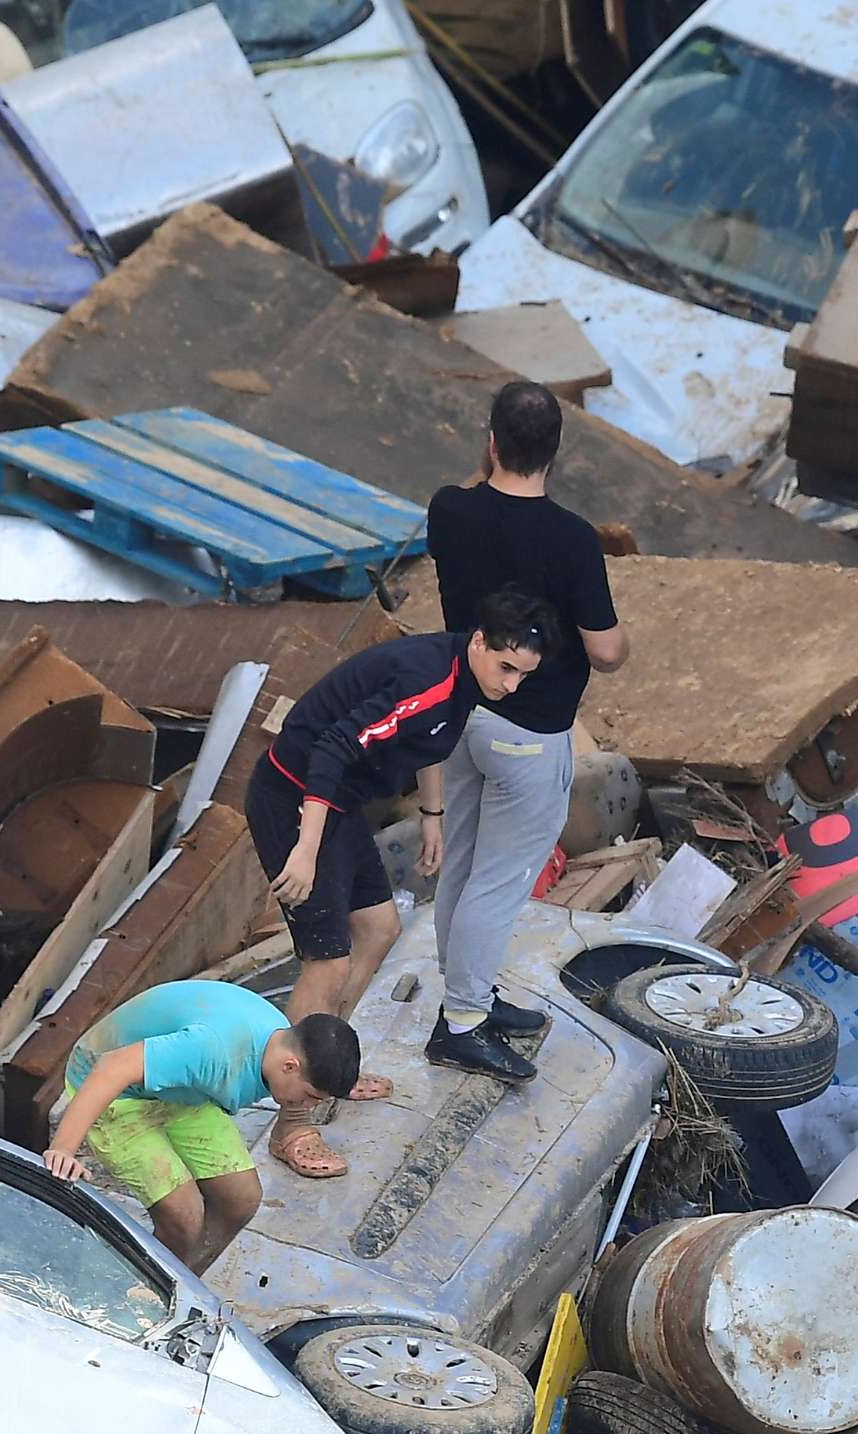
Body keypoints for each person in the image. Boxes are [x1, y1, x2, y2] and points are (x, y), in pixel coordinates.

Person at [242, 592, 555, 1177]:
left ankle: (332, 1065)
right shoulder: (427, 679)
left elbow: (426, 741)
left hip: (340, 805)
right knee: (326, 963)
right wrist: (305, 850)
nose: (512, 685)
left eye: (524, 675)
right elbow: (332, 748)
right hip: (296, 799)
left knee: (379, 928)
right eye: (507, 667)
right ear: (479, 641)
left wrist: (433, 816)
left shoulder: (464, 679)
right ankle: (293, 1122)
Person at [420, 381, 627, 1081]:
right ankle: (462, 1021)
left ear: (490, 442)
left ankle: (468, 995)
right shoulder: (571, 539)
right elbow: (606, 650)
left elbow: (474, 491)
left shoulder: (450, 509)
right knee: (500, 881)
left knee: (464, 862)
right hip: (528, 733)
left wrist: (490, 463)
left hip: (461, 712)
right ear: (557, 450)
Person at [38, 981, 360, 1269]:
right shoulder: (213, 1050)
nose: (307, 1107)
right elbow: (112, 1068)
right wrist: (64, 1149)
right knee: (184, 1217)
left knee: (241, 1200)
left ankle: (184, 1280)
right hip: (117, 1091)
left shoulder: (275, 1045)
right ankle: (139, 1295)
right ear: (290, 1066)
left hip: (182, 1089)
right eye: (309, 1096)